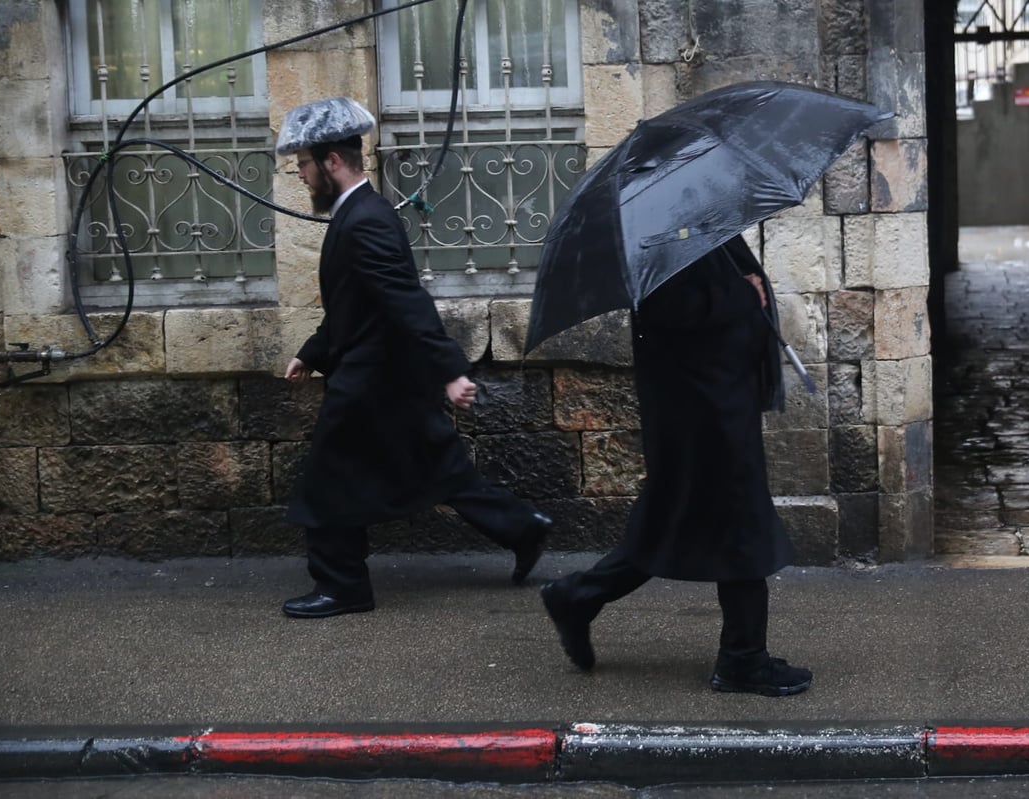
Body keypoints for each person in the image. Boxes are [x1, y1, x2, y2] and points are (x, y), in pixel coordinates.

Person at [275, 97, 551, 619]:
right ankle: (523, 527)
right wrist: (311, 353)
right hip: (384, 378)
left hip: (370, 380)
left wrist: (449, 371)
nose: (302, 176)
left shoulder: (365, 220)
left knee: (325, 483)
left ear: (333, 161)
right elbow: (356, 302)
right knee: (437, 466)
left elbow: (406, 301)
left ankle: (343, 587)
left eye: (306, 165)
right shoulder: (356, 214)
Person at [539, 234, 812, 696]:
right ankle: (743, 658)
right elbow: (673, 309)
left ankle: (578, 596)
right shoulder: (666, 236)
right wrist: (745, 293)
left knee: (676, 521)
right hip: (703, 412)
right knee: (740, 525)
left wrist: (746, 289)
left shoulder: (701, 226)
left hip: (713, 404)